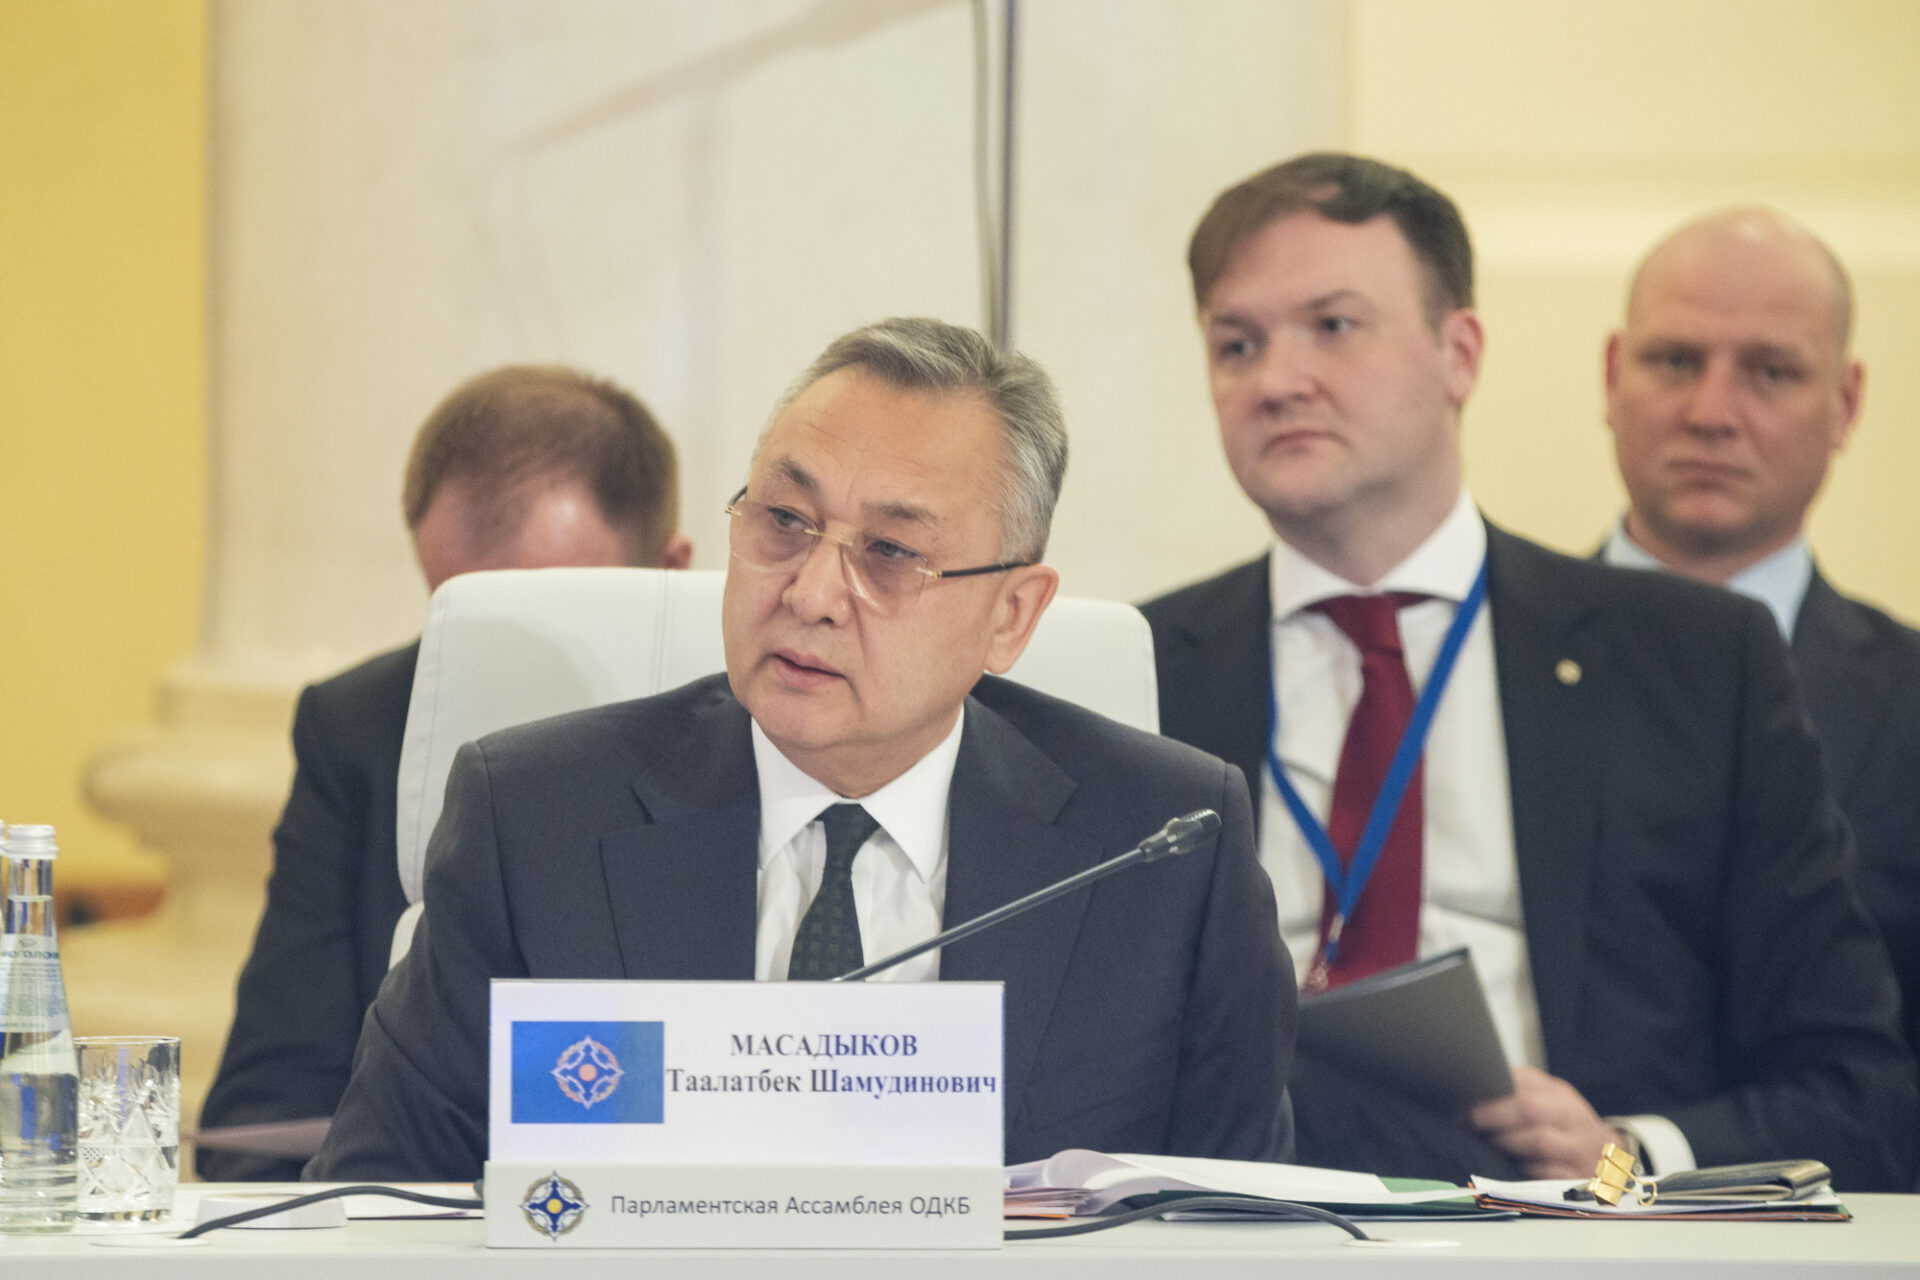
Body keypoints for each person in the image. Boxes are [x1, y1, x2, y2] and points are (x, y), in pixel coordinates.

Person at [307, 318, 1294, 1182]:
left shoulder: (1162, 851)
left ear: (1011, 615)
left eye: (891, 552)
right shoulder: (534, 819)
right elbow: (378, 1203)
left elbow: (1245, 1235)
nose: (812, 591)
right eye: (785, 521)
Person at [1140, 153, 1916, 1189]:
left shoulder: (1696, 658)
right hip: (1230, 1218)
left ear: (1458, 354)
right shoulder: (1145, 665)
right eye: (1237, 343)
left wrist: (1626, 1157)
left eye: (1333, 325)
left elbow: (1861, 1090)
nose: (1279, 380)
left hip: (1565, 1223)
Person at [198, 365, 693, 1180]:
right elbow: (262, 1121)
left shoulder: (759, 735)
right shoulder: (359, 728)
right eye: (457, 616)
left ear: (672, 571)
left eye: (544, 618)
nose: (489, 667)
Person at [1599, 208, 1920, 1076]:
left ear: (1846, 404)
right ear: (1612, 374)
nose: (1712, 413)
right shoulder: (1468, 652)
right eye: (1675, 361)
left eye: (1771, 372)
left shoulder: (1909, 702)